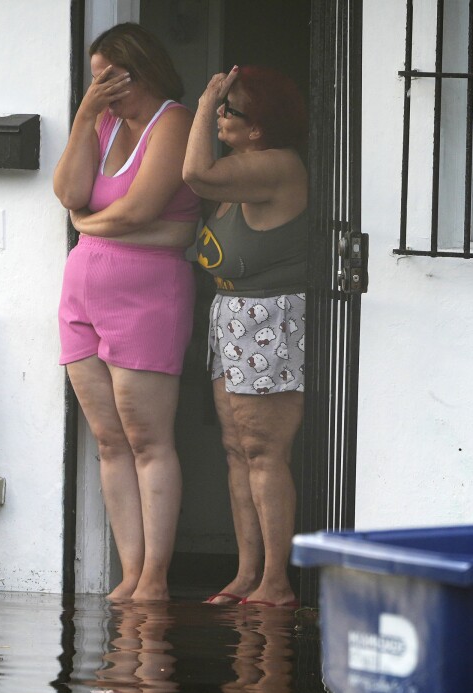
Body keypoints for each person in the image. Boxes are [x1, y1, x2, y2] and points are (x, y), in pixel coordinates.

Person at [52, 23, 200, 602]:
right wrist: (85, 116)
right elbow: (68, 191)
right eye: (94, 81)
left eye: (105, 78)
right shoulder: (104, 121)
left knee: (147, 439)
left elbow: (138, 210)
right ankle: (131, 572)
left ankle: (156, 577)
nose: (100, 87)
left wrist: (87, 225)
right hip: (83, 298)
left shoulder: (175, 121)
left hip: (147, 300)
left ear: (134, 70)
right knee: (108, 440)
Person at [182, 66, 308, 608]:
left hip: (268, 317)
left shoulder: (275, 166)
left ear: (259, 127)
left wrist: (201, 101)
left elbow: (193, 174)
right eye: (220, 105)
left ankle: (276, 582)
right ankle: (246, 574)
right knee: (237, 451)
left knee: (263, 450)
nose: (219, 114)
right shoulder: (240, 171)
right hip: (230, 316)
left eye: (229, 109)